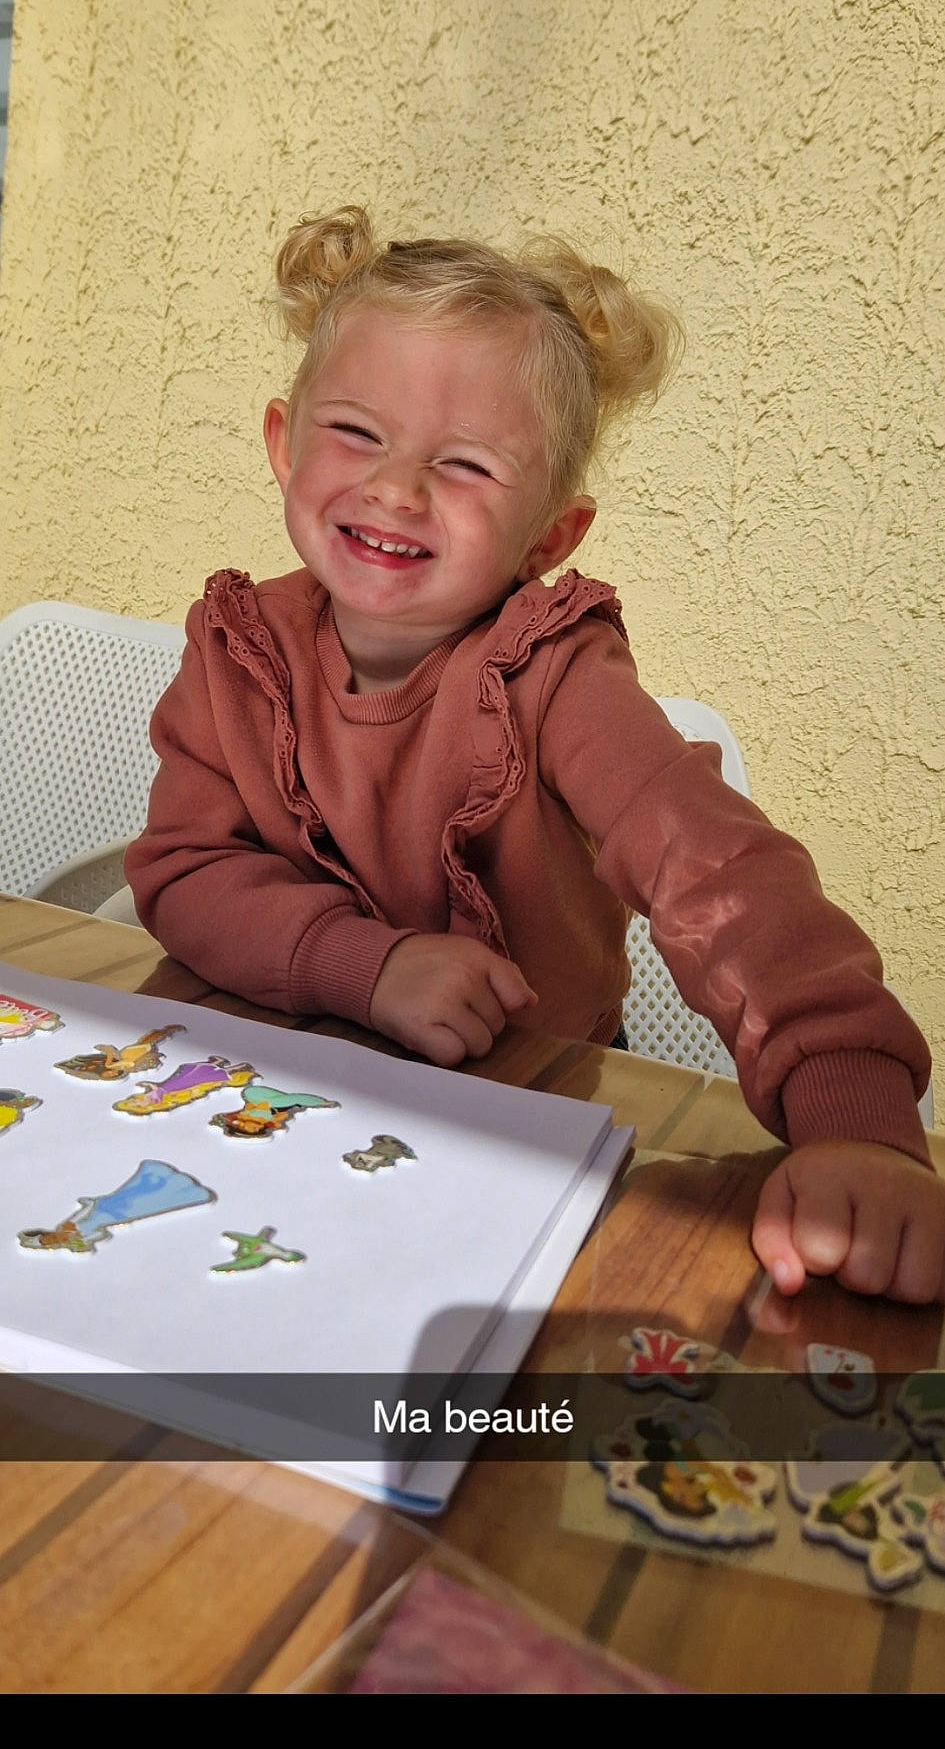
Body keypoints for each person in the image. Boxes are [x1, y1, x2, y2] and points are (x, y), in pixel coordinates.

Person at [125, 205, 945, 1306]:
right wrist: (362, 962)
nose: (398, 487)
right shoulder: (235, 648)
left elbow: (721, 874)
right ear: (284, 443)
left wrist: (857, 1113)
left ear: (550, 538)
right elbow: (182, 873)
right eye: (358, 434)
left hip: (513, 1146)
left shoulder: (554, 678)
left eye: (464, 464)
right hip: (263, 1102)